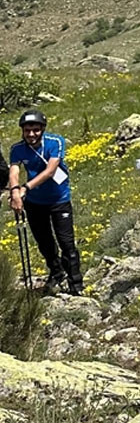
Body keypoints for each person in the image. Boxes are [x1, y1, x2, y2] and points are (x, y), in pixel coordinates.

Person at [7, 109, 82, 296]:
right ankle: (56, 272)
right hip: (35, 203)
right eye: (27, 130)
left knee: (66, 243)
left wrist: (26, 188)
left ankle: (76, 283)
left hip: (59, 200)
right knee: (44, 243)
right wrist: (15, 191)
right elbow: (14, 171)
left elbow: (50, 170)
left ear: (42, 129)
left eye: (35, 130)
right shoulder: (17, 149)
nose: (31, 134)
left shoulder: (55, 142)